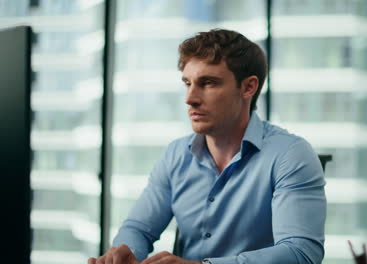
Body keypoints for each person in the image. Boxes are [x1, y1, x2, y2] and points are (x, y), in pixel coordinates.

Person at [88, 29, 326, 264]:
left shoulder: (290, 155)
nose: (190, 98)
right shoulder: (176, 155)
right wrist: (123, 252)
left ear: (248, 88)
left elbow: (301, 254)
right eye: (187, 83)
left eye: (208, 83)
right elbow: (138, 229)